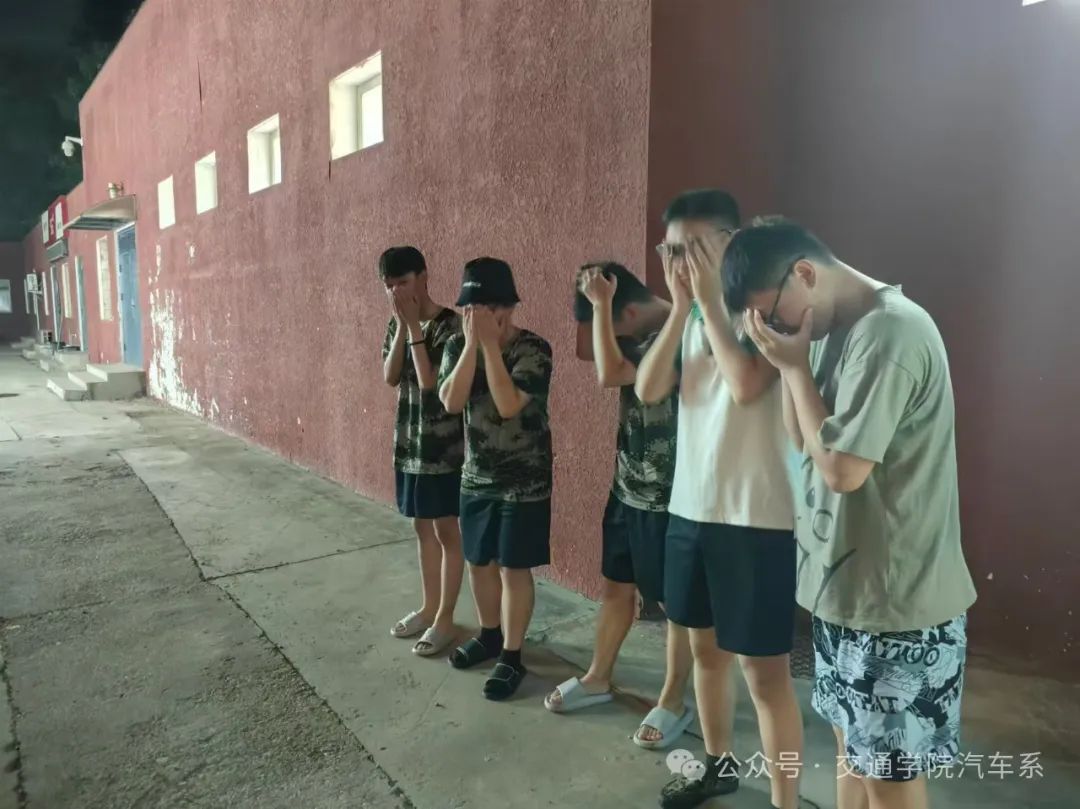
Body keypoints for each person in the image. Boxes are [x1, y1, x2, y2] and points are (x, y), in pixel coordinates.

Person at [724, 218, 977, 809]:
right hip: (845, 591)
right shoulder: (823, 328)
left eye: (772, 316)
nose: (774, 330)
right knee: (849, 752)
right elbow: (802, 439)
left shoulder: (891, 332)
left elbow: (841, 470)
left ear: (804, 273)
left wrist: (792, 368)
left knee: (888, 778)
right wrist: (791, 363)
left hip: (896, 607)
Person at [636, 191, 803, 809]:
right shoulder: (690, 315)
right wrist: (684, 308)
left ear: (731, 244)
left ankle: (785, 801)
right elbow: (648, 388)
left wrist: (707, 302)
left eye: (694, 249)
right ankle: (717, 765)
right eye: (672, 251)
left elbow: (746, 386)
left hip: (755, 518)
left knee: (763, 673)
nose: (681, 263)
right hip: (690, 510)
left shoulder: (767, 307)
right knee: (704, 652)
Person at [544, 262, 694, 750]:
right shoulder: (634, 331)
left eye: (609, 321)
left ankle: (673, 699)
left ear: (626, 311)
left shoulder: (684, 332)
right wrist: (594, 304)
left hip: (670, 499)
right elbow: (588, 351)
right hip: (628, 487)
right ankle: (598, 677)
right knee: (616, 585)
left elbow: (609, 374)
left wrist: (602, 303)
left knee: (677, 606)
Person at [438, 257, 554, 701]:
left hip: (525, 480)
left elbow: (508, 405)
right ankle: (489, 634)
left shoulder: (534, 349)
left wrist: (488, 347)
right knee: (479, 561)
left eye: (486, 310)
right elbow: (451, 401)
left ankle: (512, 654)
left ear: (507, 307)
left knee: (513, 566)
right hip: (477, 476)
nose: (477, 318)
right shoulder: (457, 345)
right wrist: (472, 345)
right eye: (470, 310)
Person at [380, 246, 466, 657]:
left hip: (444, 448)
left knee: (447, 530)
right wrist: (403, 326)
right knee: (421, 527)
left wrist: (413, 325)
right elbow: (390, 375)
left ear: (424, 276)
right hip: (409, 444)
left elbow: (431, 381)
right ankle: (429, 607)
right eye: (389, 285)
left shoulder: (451, 326)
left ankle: (446, 617)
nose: (397, 291)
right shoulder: (397, 323)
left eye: (403, 282)